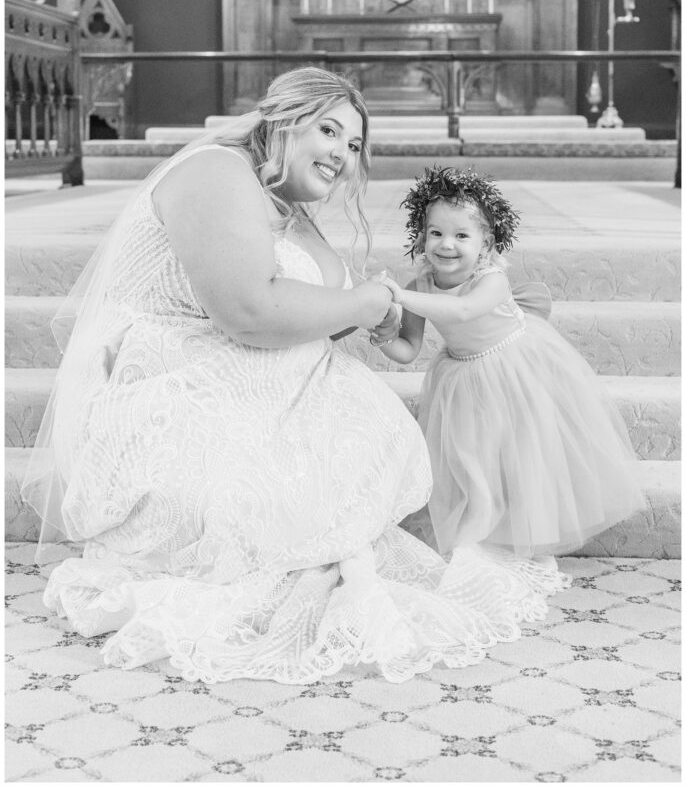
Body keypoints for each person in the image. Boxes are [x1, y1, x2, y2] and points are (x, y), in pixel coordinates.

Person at [22, 71, 569, 686]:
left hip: (261, 391)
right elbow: (249, 312)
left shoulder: (288, 204)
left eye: (355, 145)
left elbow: (316, 312)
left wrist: (376, 312)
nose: (343, 153)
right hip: (179, 392)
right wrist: (361, 305)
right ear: (283, 121)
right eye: (329, 129)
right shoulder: (215, 172)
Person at [378, 165, 645, 562]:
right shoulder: (420, 286)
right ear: (422, 236)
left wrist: (397, 296)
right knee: (470, 463)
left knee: (520, 455)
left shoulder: (491, 280)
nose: (446, 244)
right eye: (436, 233)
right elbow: (408, 350)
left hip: (515, 368)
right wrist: (384, 333)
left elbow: (464, 310)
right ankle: (476, 535)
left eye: (461, 235)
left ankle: (521, 536)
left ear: (486, 244)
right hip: (460, 377)